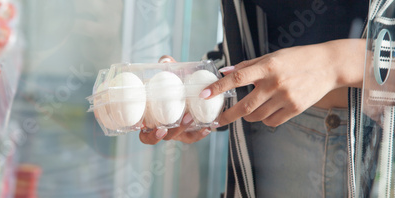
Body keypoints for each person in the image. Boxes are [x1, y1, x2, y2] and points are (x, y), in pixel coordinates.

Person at [140, 0, 370, 197]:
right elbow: (250, 37)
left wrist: (334, 63)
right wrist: (205, 88)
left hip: (359, 141)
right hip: (256, 138)